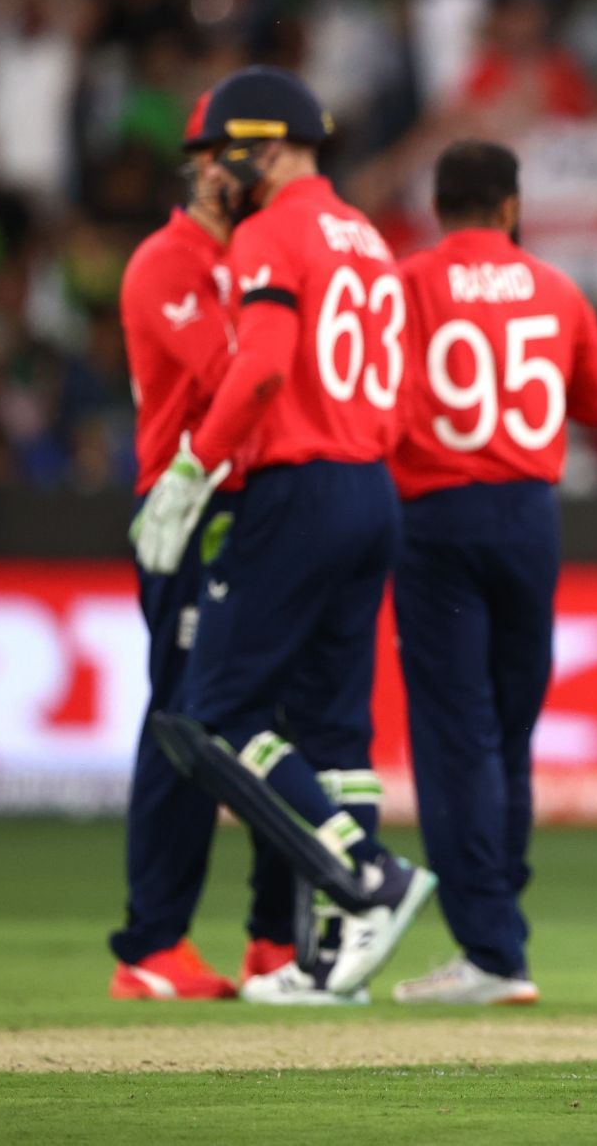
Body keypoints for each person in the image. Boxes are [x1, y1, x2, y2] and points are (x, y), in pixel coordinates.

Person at [129, 65, 435, 1005]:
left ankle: (367, 877)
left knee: (218, 712)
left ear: (268, 144)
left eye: (230, 150)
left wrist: (191, 469)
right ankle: (335, 953)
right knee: (337, 728)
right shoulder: (370, 239)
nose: (220, 170)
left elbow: (259, 369)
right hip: (369, 486)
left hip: (293, 486)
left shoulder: (272, 232)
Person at [386, 139, 597, 1005]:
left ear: (437, 205)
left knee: (458, 737)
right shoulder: (555, 288)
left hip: (435, 515)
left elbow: (376, 396)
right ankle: (499, 925)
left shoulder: (408, 285)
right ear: (512, 207)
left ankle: (489, 947)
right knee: (511, 725)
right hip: (528, 516)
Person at [109, 93, 295, 1000]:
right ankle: (150, 944)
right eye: (232, 157)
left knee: (272, 716)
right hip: (184, 509)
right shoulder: (165, 262)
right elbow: (238, 374)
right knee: (181, 719)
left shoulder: (261, 255)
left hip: (260, 507)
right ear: (202, 164)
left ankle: (273, 940)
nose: (245, 173)